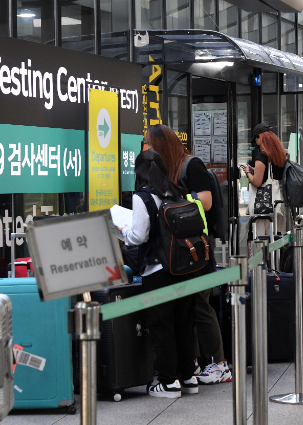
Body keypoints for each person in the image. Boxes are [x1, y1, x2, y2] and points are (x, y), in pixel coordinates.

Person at [144, 124, 231, 385]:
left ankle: (217, 363)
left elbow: (205, 201)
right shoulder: (168, 168)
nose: (147, 149)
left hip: (197, 247)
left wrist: (177, 196)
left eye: (150, 144)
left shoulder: (191, 165)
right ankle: (193, 364)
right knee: (187, 309)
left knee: (202, 305)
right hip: (181, 250)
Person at [118, 150, 199, 398]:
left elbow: (139, 236)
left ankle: (167, 382)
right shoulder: (177, 190)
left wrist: (122, 230)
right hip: (185, 267)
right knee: (184, 324)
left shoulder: (143, 197)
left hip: (158, 270)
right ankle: (188, 377)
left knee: (162, 325)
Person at [243, 124, 287, 235]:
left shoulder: (262, 156)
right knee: (275, 240)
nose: (256, 142)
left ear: (260, 137)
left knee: (260, 242)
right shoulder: (280, 155)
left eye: (256, 138)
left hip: (263, 206)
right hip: (278, 204)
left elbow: (257, 182)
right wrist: (256, 170)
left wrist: (248, 172)